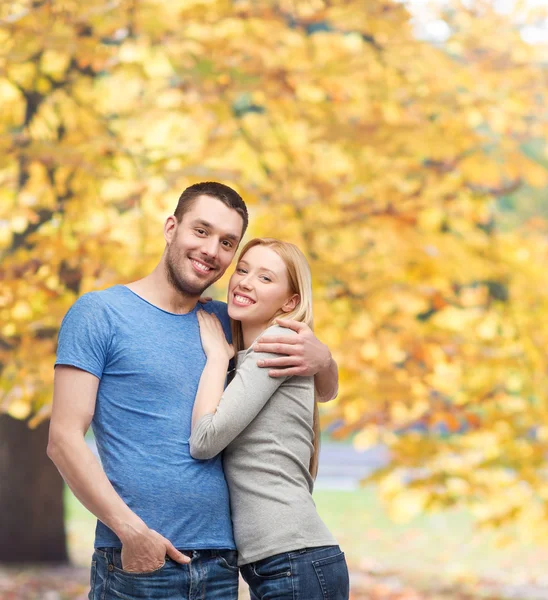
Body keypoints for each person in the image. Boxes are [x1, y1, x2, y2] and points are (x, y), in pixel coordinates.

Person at [48, 181, 339, 600]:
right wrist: (132, 532)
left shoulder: (231, 320)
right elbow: (63, 440)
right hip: (140, 559)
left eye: (226, 243)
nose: (211, 251)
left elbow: (318, 389)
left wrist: (325, 360)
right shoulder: (100, 313)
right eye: (200, 231)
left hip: (222, 564)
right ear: (171, 228)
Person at [189, 237, 350, 600]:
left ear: (290, 302)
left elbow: (204, 442)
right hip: (285, 562)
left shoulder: (275, 345)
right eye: (242, 270)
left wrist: (216, 357)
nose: (245, 281)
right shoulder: (254, 351)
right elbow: (325, 390)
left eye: (265, 278)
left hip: (293, 561)